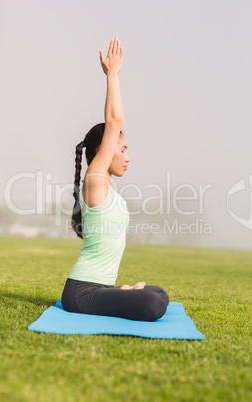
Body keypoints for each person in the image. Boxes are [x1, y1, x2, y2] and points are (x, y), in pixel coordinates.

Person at [61, 37, 169, 321]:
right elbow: (115, 122)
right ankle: (128, 294)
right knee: (152, 305)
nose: (127, 157)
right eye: (121, 149)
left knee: (159, 295)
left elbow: (117, 126)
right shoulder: (94, 179)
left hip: (98, 289)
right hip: (81, 292)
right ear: (102, 152)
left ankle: (125, 292)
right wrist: (113, 75)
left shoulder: (109, 188)